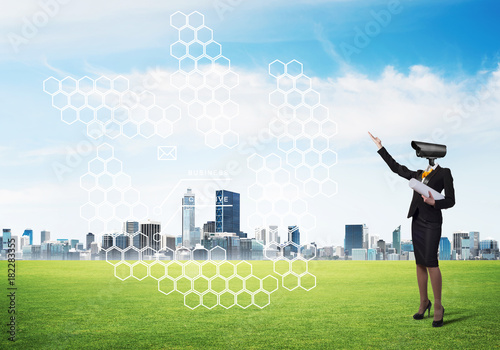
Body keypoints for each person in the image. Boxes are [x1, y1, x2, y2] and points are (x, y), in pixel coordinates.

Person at [368, 132, 455, 327]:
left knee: (431, 262)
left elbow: (451, 200)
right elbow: (396, 168)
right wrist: (380, 147)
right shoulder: (418, 174)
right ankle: (424, 301)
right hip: (417, 221)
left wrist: (434, 202)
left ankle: (439, 306)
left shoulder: (445, 173)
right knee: (420, 263)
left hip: (432, 222)